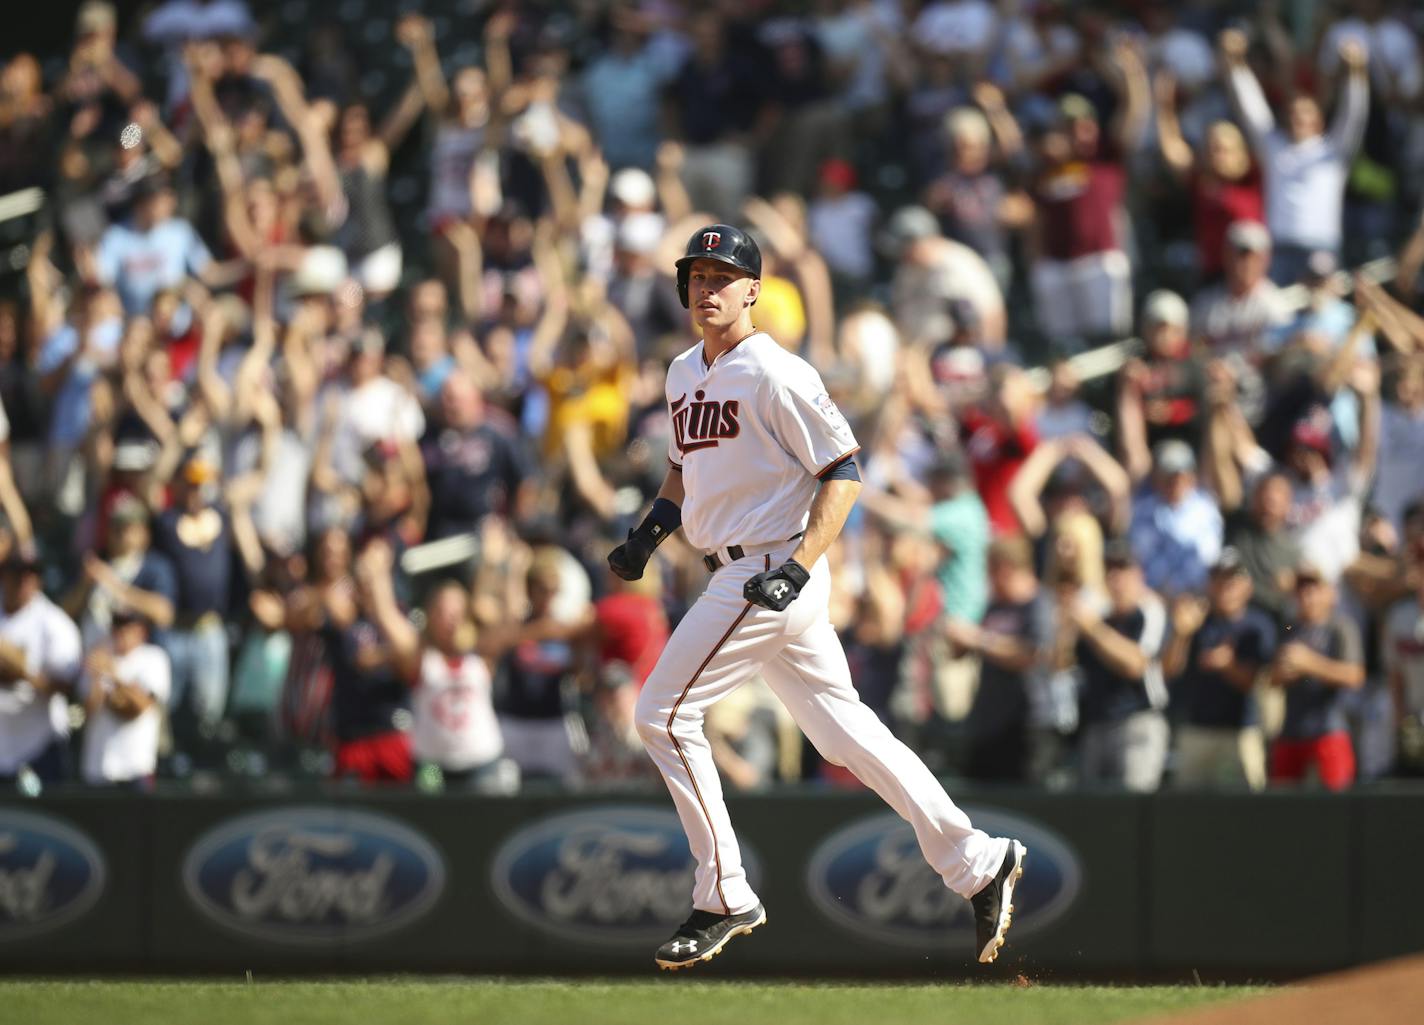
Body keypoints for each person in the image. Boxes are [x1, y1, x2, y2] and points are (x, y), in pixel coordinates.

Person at [609, 224, 1024, 971]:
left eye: (721, 276)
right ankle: (978, 860)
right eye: (696, 275)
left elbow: (845, 471)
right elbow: (684, 470)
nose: (706, 287)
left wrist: (799, 566)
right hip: (736, 564)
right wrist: (648, 534)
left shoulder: (776, 371)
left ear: (753, 291)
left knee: (662, 714)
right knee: (844, 734)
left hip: (768, 569)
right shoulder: (680, 373)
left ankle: (723, 891)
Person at [1220, 30, 1369, 284]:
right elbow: (1251, 107)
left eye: (1305, 114)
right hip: (1278, 248)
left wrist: (1356, 74)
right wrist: (1236, 64)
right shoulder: (1275, 147)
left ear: (1318, 120)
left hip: (1321, 247)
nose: (1298, 119)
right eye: (1293, 113)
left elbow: (1353, 115)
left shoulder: (1333, 151)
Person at [1163, 548, 1275, 790]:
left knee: (1247, 806)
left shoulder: (1257, 624)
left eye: (1232, 579)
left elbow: (1253, 682)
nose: (1226, 586)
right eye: (1219, 579)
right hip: (1197, 729)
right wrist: (1180, 635)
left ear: (1247, 585)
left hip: (1240, 731)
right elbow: (1170, 670)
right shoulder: (1197, 619)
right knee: (1188, 810)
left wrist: (1228, 666)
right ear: (1210, 584)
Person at [948, 535, 1056, 785]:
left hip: (1027, 724)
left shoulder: (1038, 604)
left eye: (992, 569)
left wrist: (979, 639)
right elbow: (964, 651)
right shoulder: (995, 606)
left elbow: (1030, 654)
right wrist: (957, 639)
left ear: (1006, 568)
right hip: (989, 722)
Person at [1069, 540, 1169, 792]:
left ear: (1139, 574)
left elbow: (1135, 665)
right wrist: (1068, 623)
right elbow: (1061, 663)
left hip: (1137, 722)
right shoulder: (1099, 618)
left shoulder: (1148, 612)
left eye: (1123, 569)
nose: (1116, 577)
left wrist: (1092, 628)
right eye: (1110, 570)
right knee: (1093, 810)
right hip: (1096, 722)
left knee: (1133, 805)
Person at [1268, 562, 1364, 791]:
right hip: (1291, 729)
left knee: (1335, 806)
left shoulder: (1340, 627)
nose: (1307, 596)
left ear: (1330, 593)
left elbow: (1355, 675)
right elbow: (1272, 679)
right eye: (1302, 590)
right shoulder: (1289, 628)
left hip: (1329, 729)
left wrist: (1310, 664)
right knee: (1283, 804)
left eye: (1314, 589)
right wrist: (1284, 673)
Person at [0, 546, 83, 784]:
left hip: (38, 748)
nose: (25, 580)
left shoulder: (54, 623)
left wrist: (23, 670)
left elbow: (66, 685)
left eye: (32, 574)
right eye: (18, 573)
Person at [78, 607, 170, 789]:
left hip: (135, 768)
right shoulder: (98, 658)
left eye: (128, 627)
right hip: (98, 768)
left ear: (142, 631)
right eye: (117, 627)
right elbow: (86, 712)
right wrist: (97, 680)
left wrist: (114, 675)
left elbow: (141, 706)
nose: (121, 633)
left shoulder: (153, 658)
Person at [1128, 440, 1223, 597]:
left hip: (1195, 595)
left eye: (1181, 476)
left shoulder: (1206, 508)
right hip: (1151, 595)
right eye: (1168, 477)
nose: (1176, 483)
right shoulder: (1142, 509)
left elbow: (1207, 558)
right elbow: (1140, 555)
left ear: (1192, 477)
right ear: (1157, 478)